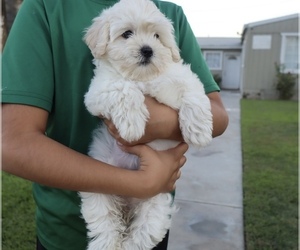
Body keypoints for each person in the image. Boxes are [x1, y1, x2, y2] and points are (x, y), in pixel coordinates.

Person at [2, 0, 229, 249]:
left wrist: (164, 122)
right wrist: (143, 182)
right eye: (127, 34)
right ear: (103, 41)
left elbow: (213, 114)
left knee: (148, 226)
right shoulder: (45, 8)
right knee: (104, 226)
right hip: (65, 231)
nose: (146, 46)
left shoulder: (172, 14)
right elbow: (12, 142)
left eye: (155, 35)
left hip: (153, 209)